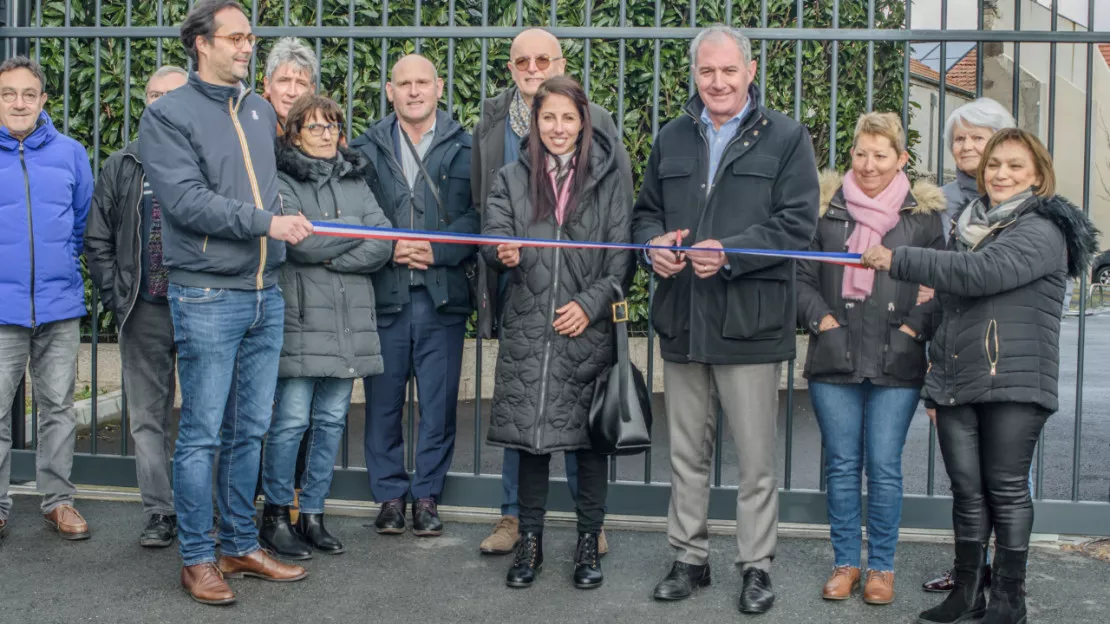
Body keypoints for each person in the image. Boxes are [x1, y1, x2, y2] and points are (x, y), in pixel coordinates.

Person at [861, 128, 1098, 624]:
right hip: (956, 375)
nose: (1001, 174)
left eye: (1015, 165)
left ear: (1037, 175)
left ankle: (1009, 601)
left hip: (1014, 380)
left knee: (1006, 489)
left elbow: (982, 274)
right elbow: (947, 298)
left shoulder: (1041, 228)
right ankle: (967, 593)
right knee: (966, 492)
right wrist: (932, 372)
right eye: (994, 165)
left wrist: (896, 258)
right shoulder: (967, 226)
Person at [631, 25, 819, 614]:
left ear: (750, 71)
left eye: (728, 71)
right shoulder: (671, 136)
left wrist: (730, 252)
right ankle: (689, 557)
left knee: (757, 461)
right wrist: (651, 246)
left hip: (750, 325)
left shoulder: (787, 137)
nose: (717, 82)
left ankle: (756, 566)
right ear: (695, 74)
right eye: (707, 71)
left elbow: (797, 225)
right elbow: (645, 215)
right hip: (683, 320)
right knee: (687, 453)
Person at [138, 0, 314, 605]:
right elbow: (185, 202)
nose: (247, 47)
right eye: (236, 38)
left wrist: (284, 217)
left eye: (250, 38)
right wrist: (267, 222)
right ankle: (196, 558)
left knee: (251, 430)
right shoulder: (168, 115)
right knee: (204, 434)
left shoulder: (261, 109)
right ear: (201, 43)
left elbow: (261, 192)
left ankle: (239, 543)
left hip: (265, 291)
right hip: (208, 293)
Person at [472, 26, 631, 558]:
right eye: (548, 118)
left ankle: (589, 539)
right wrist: (501, 252)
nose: (558, 128)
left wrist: (589, 308)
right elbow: (491, 235)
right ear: (534, 123)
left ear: (583, 121)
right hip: (530, 328)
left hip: (585, 329)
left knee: (587, 445)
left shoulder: (607, 179)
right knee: (531, 441)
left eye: (568, 117)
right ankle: (530, 542)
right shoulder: (511, 178)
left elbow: (620, 258)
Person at [796, 112, 945, 605]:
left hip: (897, 361)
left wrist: (910, 330)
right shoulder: (824, 211)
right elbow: (800, 277)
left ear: (901, 158)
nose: (869, 164)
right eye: (861, 153)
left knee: (883, 466)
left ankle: (881, 567)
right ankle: (846, 563)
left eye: (881, 154)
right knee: (841, 465)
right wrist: (825, 324)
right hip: (834, 356)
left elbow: (941, 285)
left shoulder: (922, 219)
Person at [259, 95, 393, 559]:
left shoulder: (357, 178)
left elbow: (385, 240)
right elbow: (300, 240)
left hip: (349, 322)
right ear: (295, 133)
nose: (326, 135)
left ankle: (313, 513)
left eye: (333, 127)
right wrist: (352, 232)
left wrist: (331, 242)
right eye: (315, 127)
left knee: (332, 420)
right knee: (291, 421)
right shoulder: (281, 179)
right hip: (301, 318)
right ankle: (276, 514)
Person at [351, 54, 478, 538]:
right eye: (404, 83)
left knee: (438, 405)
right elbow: (354, 219)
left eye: (422, 82)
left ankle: (426, 496)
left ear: (439, 86)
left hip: (442, 299)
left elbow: (481, 218)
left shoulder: (467, 148)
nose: (414, 91)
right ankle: (388, 497)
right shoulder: (364, 148)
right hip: (384, 295)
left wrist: (437, 249)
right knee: (381, 404)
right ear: (389, 90)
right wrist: (389, 248)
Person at [922, 97, 1031, 595]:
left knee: (1004, 477)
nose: (967, 147)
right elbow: (930, 294)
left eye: (978, 138)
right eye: (959, 138)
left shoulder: (1024, 204)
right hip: (953, 354)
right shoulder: (938, 201)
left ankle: (1007, 581)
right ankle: (969, 573)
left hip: (1006, 360)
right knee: (965, 480)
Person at [85, 65, 189, 548]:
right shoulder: (122, 163)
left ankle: (198, 508)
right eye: (153, 94)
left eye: (171, 94)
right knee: (147, 417)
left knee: (206, 416)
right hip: (142, 309)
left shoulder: (209, 159)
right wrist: (116, 292)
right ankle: (160, 513)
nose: (161, 102)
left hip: (199, 307)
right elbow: (97, 239)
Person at [0, 55, 94, 543]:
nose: (19, 102)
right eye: (8, 93)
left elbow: (81, 224)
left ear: (43, 101)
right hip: (1, 313)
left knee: (58, 407)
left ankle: (58, 501)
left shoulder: (71, 153)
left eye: (28, 94)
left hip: (58, 308)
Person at [262, 37, 316, 136]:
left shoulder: (324, 130)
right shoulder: (250, 124)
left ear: (311, 90)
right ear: (268, 85)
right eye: (284, 81)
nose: (292, 92)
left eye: (300, 83)